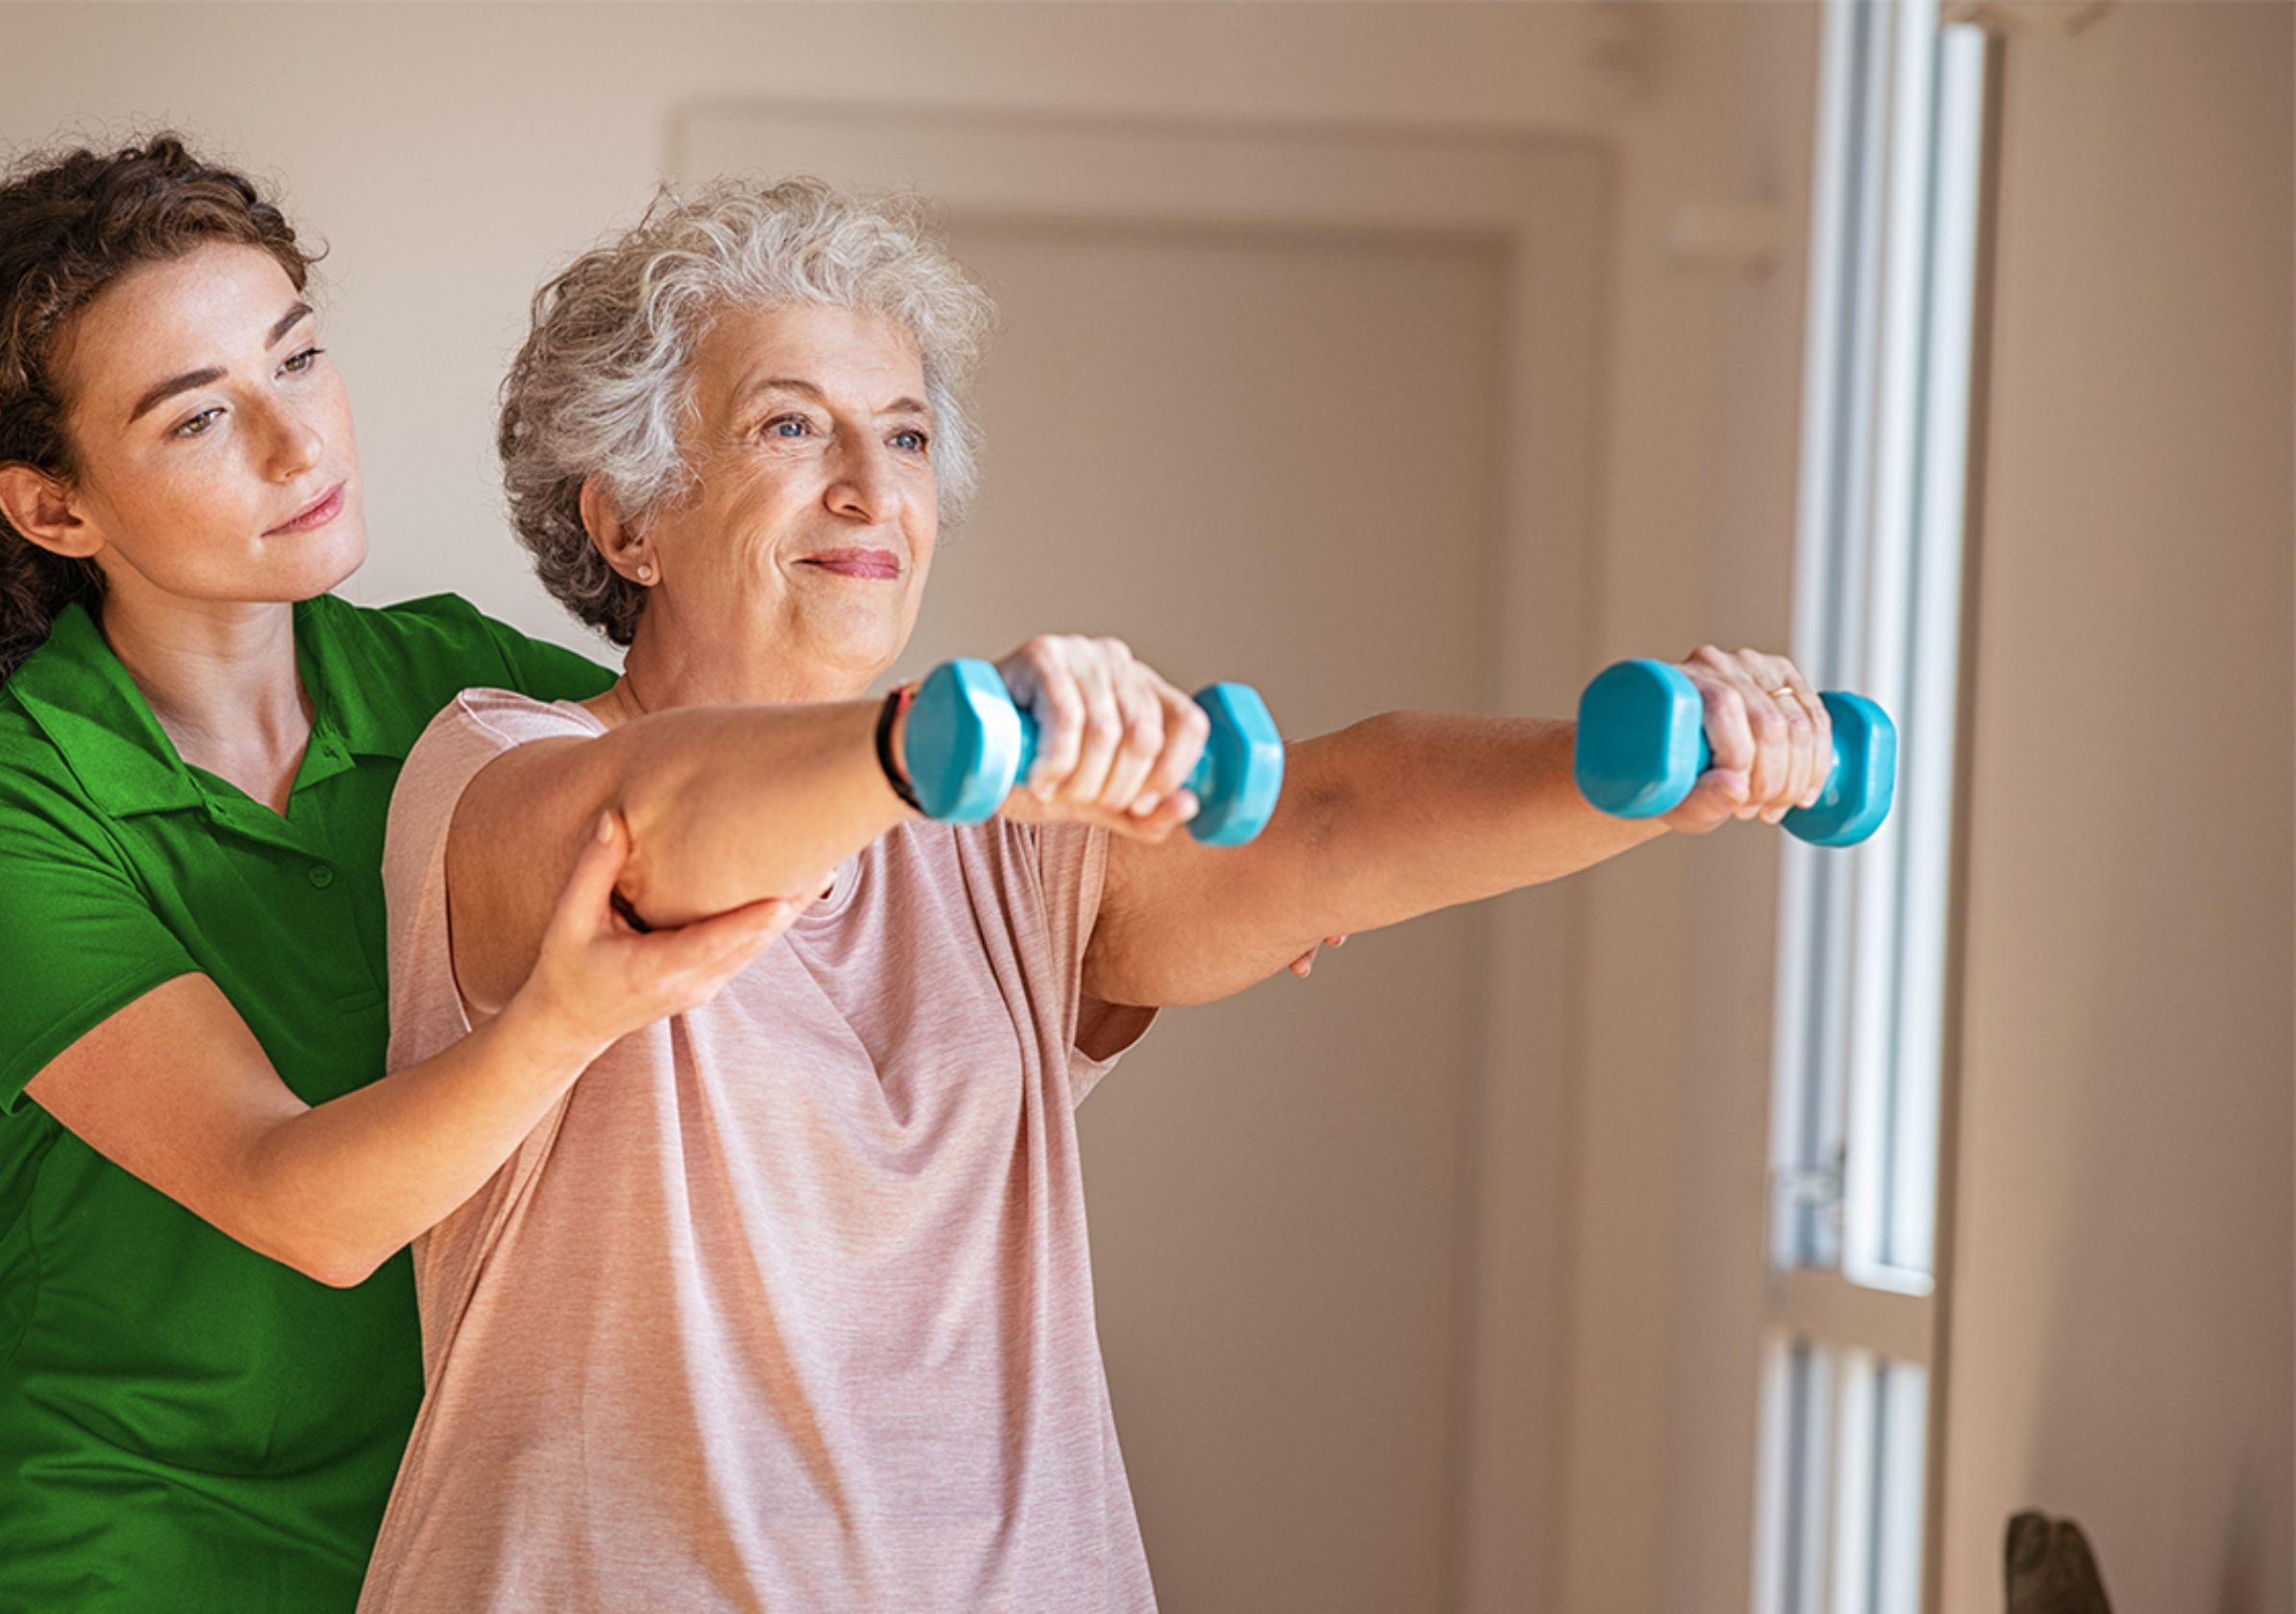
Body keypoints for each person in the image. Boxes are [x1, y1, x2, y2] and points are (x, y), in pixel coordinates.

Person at [355, 178, 1837, 1612]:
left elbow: (1330, 817)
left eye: (906, 435)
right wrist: (941, 742)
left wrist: (1648, 769)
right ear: (628, 522)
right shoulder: (502, 765)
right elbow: (652, 834)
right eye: (790, 426)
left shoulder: (1002, 834)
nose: (870, 485)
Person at [0, 137, 798, 1613]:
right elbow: (306, 1209)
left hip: (443, 1556)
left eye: (299, 359)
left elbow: (717, 783)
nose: (298, 443)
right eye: (201, 417)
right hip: (120, 1562)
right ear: (57, 510)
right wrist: (567, 1018)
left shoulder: (458, 686)